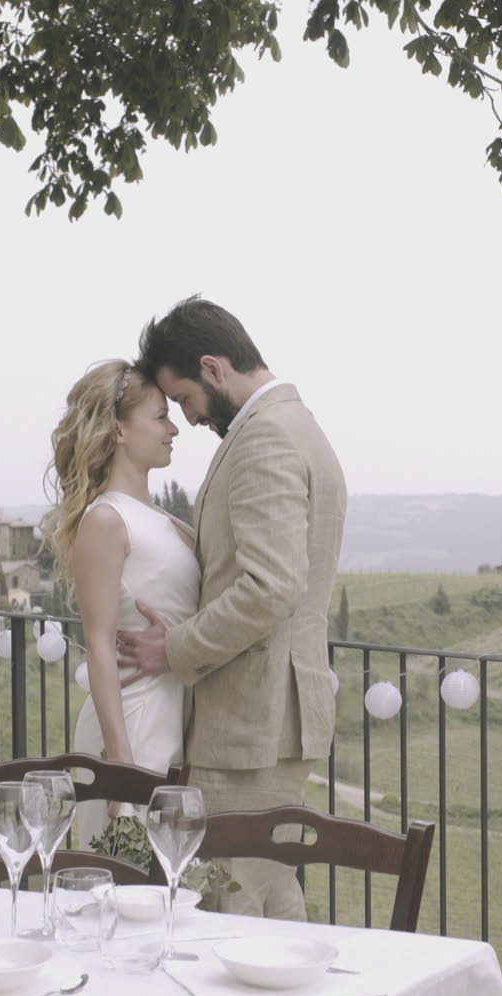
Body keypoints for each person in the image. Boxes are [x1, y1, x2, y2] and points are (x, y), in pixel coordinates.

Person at [117, 296, 347, 920]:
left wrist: (175, 649)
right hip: (275, 715)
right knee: (271, 897)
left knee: (226, 908)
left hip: (250, 720)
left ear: (214, 369)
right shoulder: (297, 424)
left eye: (186, 398)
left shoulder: (264, 438)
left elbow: (271, 585)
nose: (190, 418)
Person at [45, 360, 198, 846]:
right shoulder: (107, 521)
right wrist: (121, 768)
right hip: (132, 726)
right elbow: (99, 644)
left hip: (171, 720)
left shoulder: (166, 523)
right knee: (122, 872)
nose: (174, 429)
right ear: (119, 431)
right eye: (160, 417)